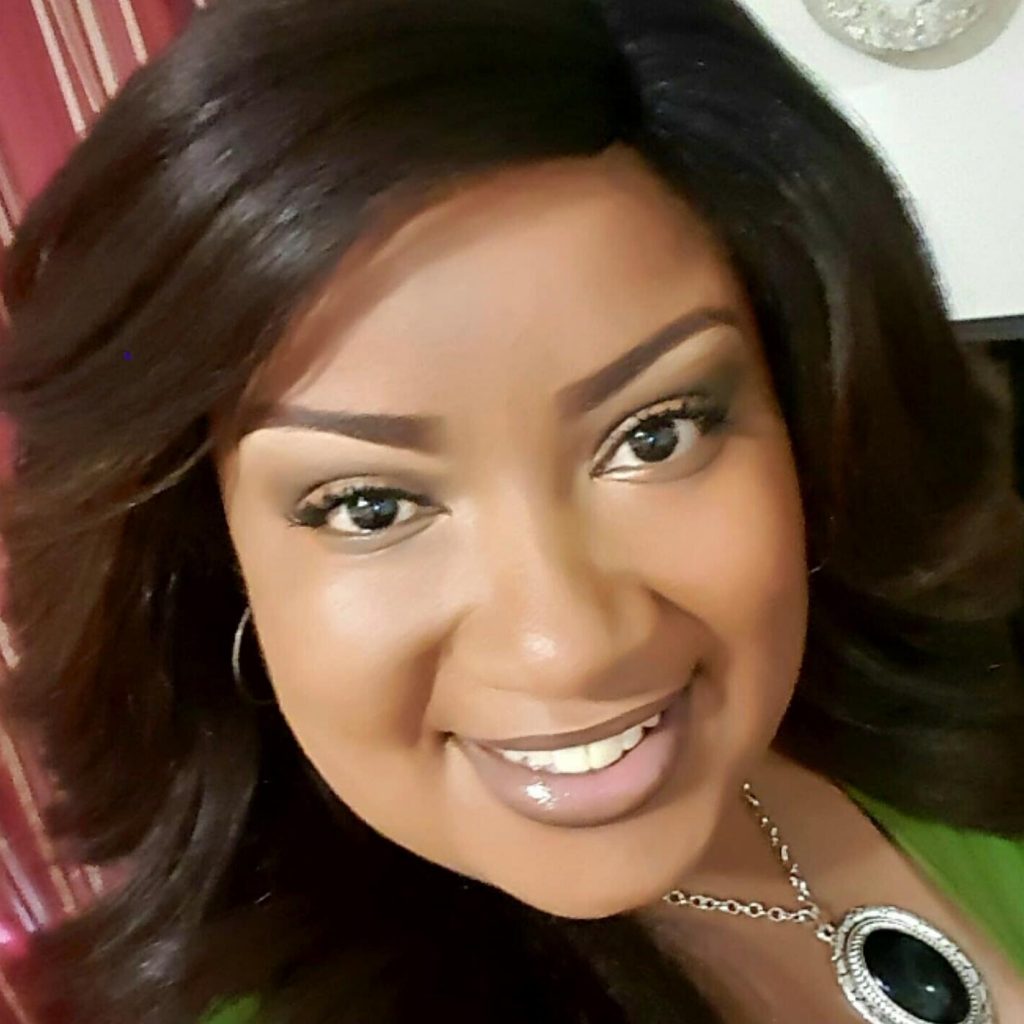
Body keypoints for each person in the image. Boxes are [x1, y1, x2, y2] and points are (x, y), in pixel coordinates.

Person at [0, 0, 1021, 1021]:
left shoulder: (954, 717)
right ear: (215, 563)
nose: (564, 645)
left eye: (654, 436)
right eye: (370, 506)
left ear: (803, 410)